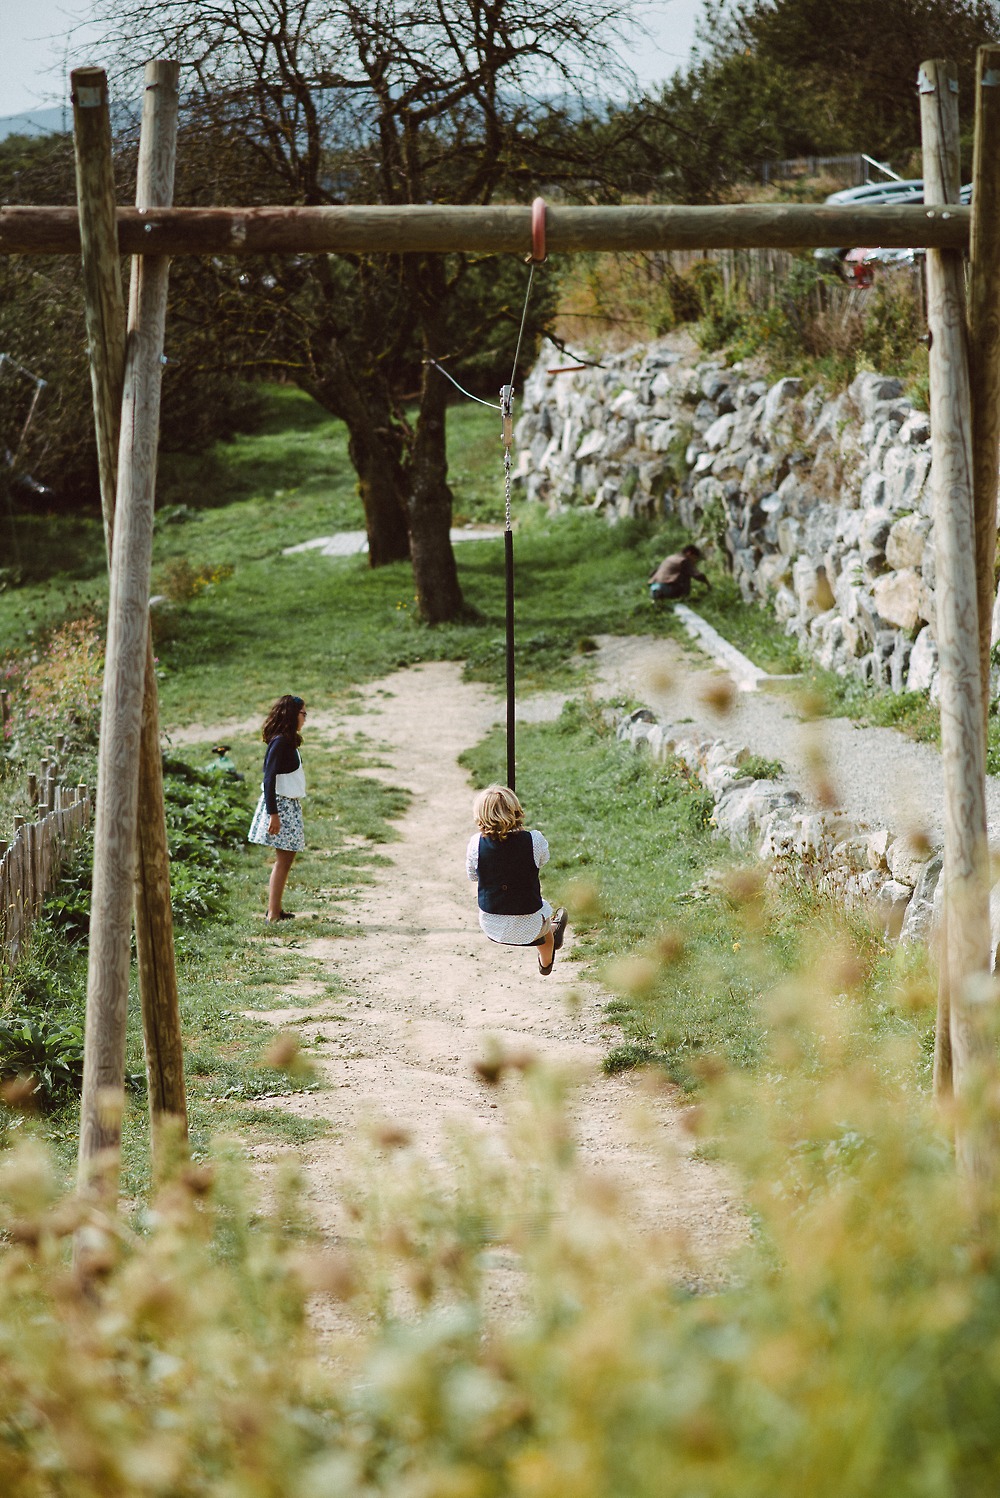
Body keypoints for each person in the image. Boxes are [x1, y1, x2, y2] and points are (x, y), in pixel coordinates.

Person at [466, 784, 568, 976]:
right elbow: (543, 860)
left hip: (491, 923)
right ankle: (546, 964)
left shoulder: (475, 844)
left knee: (539, 917)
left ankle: (551, 930)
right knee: (544, 929)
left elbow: (472, 875)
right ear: (516, 811)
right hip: (530, 923)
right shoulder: (534, 840)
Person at [248, 695, 308, 923]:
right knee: (283, 859)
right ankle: (273, 913)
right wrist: (273, 814)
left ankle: (276, 909)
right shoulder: (280, 741)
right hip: (280, 806)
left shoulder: (288, 740)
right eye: (303, 714)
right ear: (293, 715)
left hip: (288, 805)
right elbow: (268, 778)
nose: (305, 719)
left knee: (287, 858)